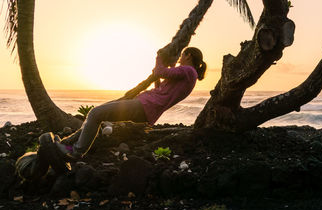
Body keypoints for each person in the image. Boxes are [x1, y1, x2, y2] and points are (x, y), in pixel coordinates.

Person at [53, 47, 207, 162]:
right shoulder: (189, 76)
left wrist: (159, 56)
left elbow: (160, 70)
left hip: (144, 106)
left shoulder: (188, 71)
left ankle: (75, 152)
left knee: (95, 113)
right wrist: (158, 76)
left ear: (189, 55)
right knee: (96, 115)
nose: (180, 57)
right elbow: (161, 90)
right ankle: (68, 145)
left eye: (182, 54)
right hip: (145, 108)